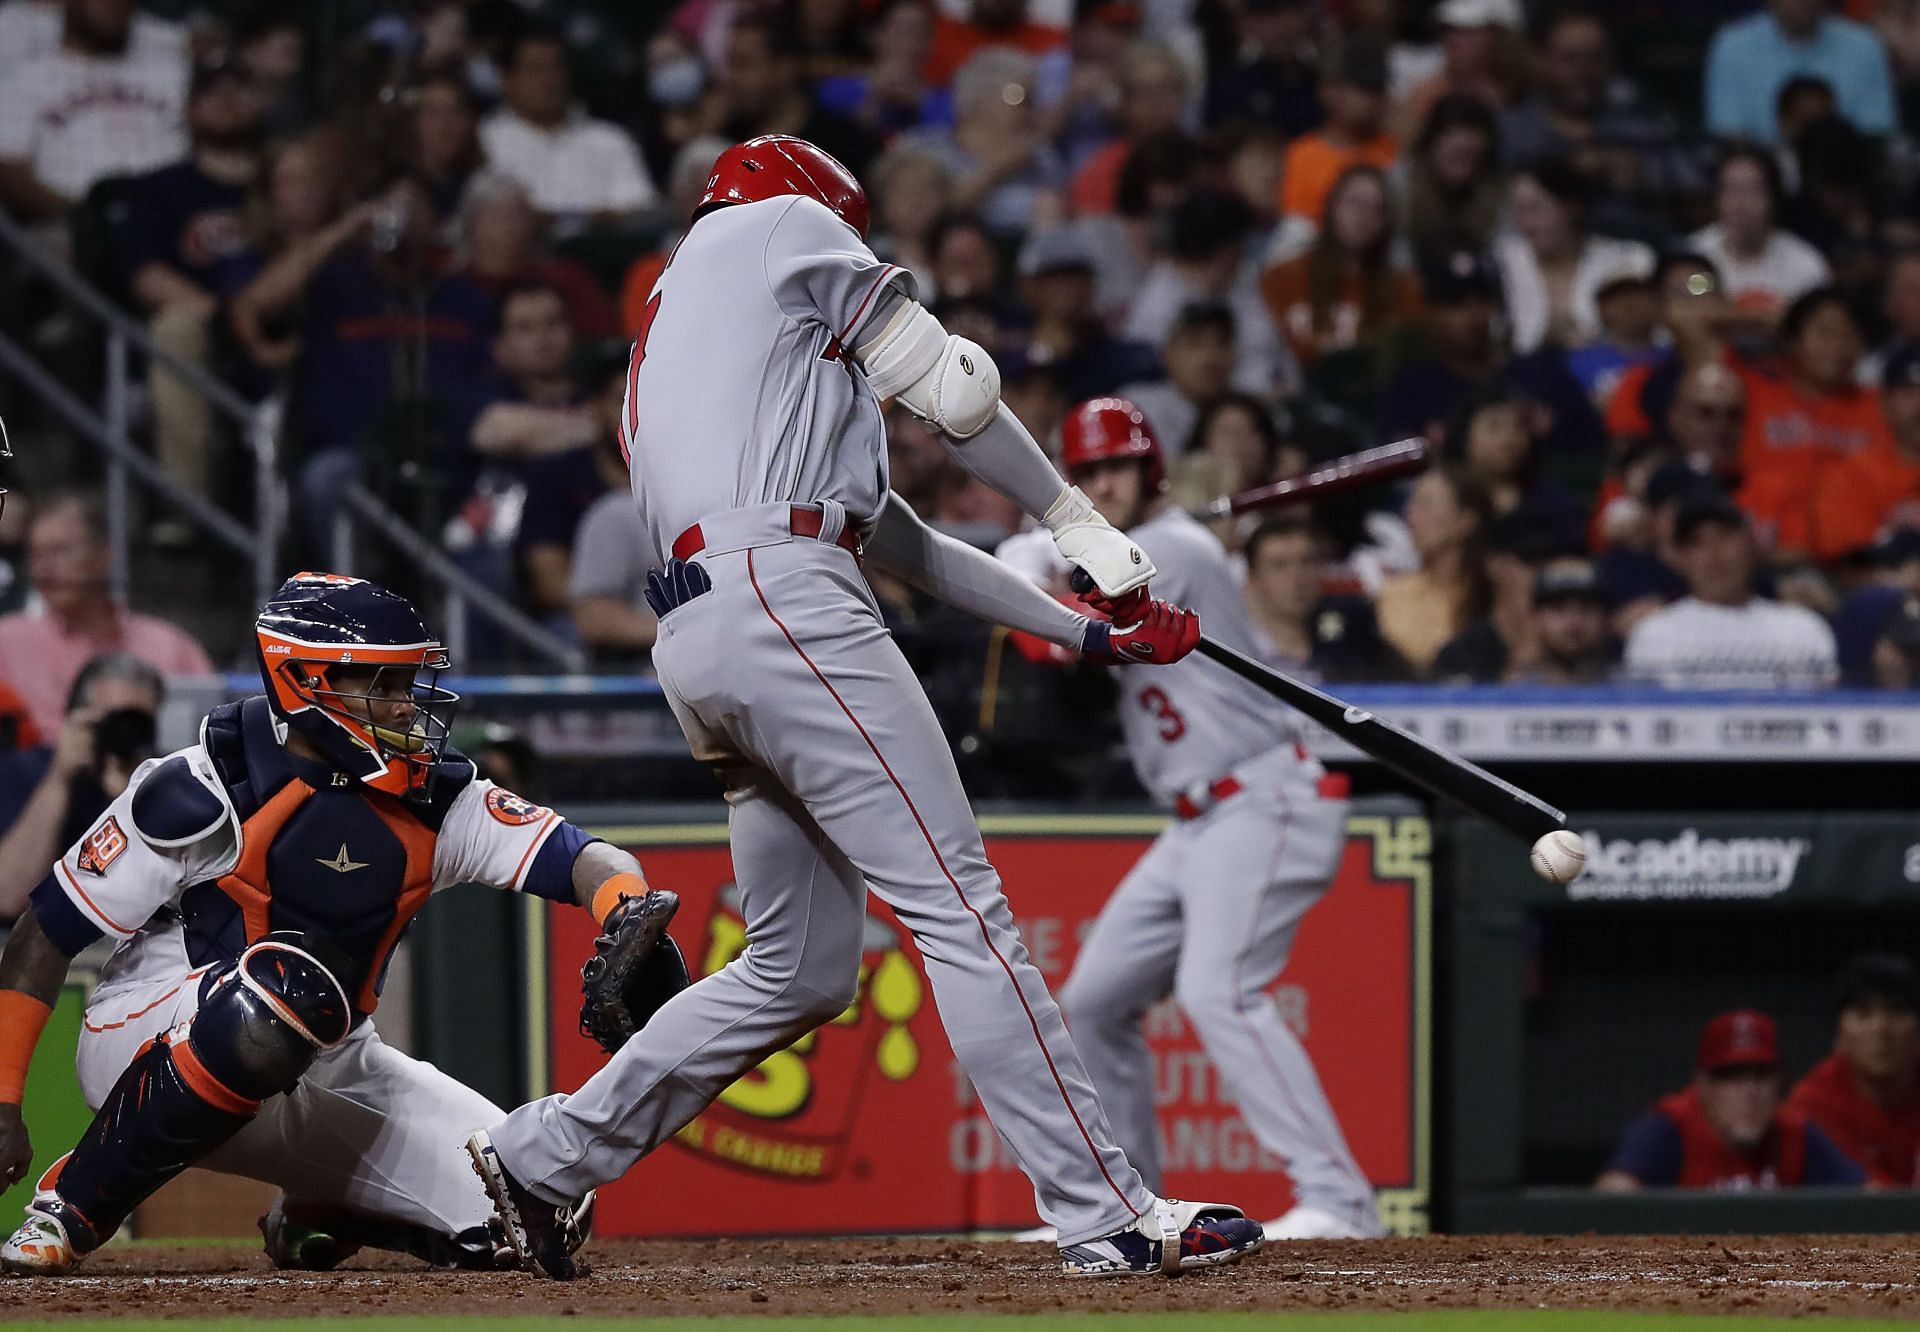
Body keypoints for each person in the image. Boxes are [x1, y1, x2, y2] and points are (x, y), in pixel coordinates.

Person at [463, 136, 1262, 1281]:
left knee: (796, 970)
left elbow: (904, 542)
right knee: (963, 908)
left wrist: (1085, 629)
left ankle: (545, 1157)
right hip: (785, 604)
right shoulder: (782, 227)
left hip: (702, 630)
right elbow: (956, 388)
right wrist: (1077, 518)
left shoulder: (685, 338)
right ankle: (1107, 1213)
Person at [0, 575, 635, 1276]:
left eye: (408, 683)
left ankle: (319, 1210)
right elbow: (45, 931)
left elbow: (580, 857)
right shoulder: (202, 784)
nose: (405, 706)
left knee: (541, 1198)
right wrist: (3, 1098)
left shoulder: (437, 799)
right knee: (282, 991)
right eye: (382, 684)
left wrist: (626, 910)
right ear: (302, 681)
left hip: (331, 1056)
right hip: (151, 1031)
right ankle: (69, 1209)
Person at [995, 400, 1384, 1241]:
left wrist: (1023, 546)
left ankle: (1342, 1202)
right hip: (1197, 824)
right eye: (1089, 474)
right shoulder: (1124, 544)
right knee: (1095, 1002)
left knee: (1220, 990)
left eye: (1119, 468)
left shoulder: (1176, 548)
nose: (1106, 484)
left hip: (1262, 796)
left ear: (1152, 472)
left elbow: (1052, 617)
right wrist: (1033, 548)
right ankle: (1127, 1212)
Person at [124, 56, 265, 515]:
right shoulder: (162, 187)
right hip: (208, 327)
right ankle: (189, 505)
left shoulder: (288, 179)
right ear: (189, 109)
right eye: (210, 92)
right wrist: (225, 317)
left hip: (282, 318)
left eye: (237, 89)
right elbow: (145, 274)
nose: (224, 101)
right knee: (174, 328)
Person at [0, 494, 213, 741]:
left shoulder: (171, 647)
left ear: (104, 555)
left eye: (59, 551)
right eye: (36, 555)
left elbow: (211, 737)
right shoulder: (6, 644)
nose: (44, 569)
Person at [1596, 1009, 1866, 1190]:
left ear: (1780, 1084)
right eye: (1732, 1077)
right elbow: (1613, 1195)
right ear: (1702, 1085)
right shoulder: (1668, 1128)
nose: (1749, 1092)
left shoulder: (1796, 1132)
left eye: (1761, 1076)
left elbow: (1870, 1200)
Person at [0, 0, 189, 226]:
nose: (117, 7)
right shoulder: (27, 79)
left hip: (178, 221)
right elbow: (8, 170)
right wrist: (83, 220)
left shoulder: (170, 73)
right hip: (68, 228)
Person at [0, 655, 160, 921]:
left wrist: (129, 800)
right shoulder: (25, 771)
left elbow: (165, 900)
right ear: (78, 718)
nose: (126, 732)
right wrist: (59, 779)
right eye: (116, 719)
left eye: (139, 722)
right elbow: (7, 897)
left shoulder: (160, 782)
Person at [1624, 494, 1838, 689]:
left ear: (1748, 544)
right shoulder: (1655, 635)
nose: (1714, 556)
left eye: (1725, 537)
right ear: (1681, 558)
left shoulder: (1802, 630)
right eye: (1698, 543)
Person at [479, 28, 659, 230]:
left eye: (556, 68)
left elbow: (641, 209)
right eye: (535, 69)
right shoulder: (485, 140)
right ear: (508, 79)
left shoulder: (610, 140)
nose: (548, 80)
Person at [1123, 190, 1297, 398]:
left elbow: (1275, 357)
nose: (1234, 258)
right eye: (1226, 253)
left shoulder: (1246, 280)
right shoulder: (1157, 304)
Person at [1260, 165, 1421, 372]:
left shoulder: (1404, 288)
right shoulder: (1282, 277)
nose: (1363, 215)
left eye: (1377, 208)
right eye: (1354, 203)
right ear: (1332, 206)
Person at [1492, 159, 1656, 355]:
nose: (1526, 223)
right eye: (1518, 210)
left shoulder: (1627, 260)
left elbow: (1654, 339)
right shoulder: (1501, 262)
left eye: (1535, 209)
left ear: (1571, 207)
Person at [1789, 954, 1920, 1186]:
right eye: (1863, 1013)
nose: (1881, 1029)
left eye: (1897, 1011)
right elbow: (1869, 1203)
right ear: (1839, 1035)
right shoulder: (1814, 1101)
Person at [1705, 0, 1896, 145]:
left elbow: (1877, 135)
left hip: (1845, 180)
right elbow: (1728, 135)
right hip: (1762, 185)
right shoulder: (1731, 47)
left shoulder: (1865, 46)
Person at [1376, 466, 1496, 677]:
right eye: (1412, 503)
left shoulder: (1497, 592)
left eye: (1426, 503)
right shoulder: (1394, 595)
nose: (1410, 514)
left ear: (1467, 520)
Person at [1242, 516, 1395, 681]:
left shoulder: (1351, 634)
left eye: (1306, 562)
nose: (1296, 578)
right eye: (1279, 565)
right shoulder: (1239, 648)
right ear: (1253, 578)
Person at [1689, 150, 1831, 319]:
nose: (1740, 202)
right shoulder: (1693, 254)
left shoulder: (1806, 265)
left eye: (1752, 190)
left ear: (1773, 198)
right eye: (1731, 189)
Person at [1277, 34, 1397, 226]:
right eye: (1361, 85)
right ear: (1327, 90)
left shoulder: (1396, 154)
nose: (1372, 96)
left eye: (1378, 86)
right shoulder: (1299, 158)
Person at [1118, 301, 1239, 465]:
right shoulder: (1133, 408)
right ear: (1167, 353)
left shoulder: (1245, 413)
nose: (1211, 356)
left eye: (1222, 343)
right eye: (1196, 344)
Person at [1508, 558, 1617, 684]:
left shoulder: (1629, 687)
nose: (1574, 621)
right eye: (1558, 607)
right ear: (1536, 618)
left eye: (1587, 607)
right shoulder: (1516, 690)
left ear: (1606, 618)